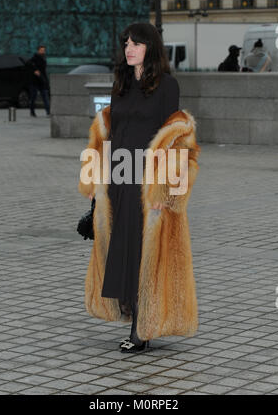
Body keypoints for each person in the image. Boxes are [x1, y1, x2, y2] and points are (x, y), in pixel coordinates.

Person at [78, 22, 201, 353]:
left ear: (151, 48)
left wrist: (164, 191)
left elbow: (176, 141)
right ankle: (131, 312)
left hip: (146, 183)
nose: (129, 48)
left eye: (136, 43)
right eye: (126, 43)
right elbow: (107, 134)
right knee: (121, 247)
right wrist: (93, 179)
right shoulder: (120, 85)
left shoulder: (166, 87)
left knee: (143, 253)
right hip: (119, 178)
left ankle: (141, 330)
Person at [27, 45, 50, 117]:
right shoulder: (34, 58)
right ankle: (32, 111)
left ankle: (48, 112)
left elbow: (44, 71)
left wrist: (46, 80)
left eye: (44, 50)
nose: (43, 51)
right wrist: (34, 71)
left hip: (42, 80)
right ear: (38, 50)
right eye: (41, 50)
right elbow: (28, 65)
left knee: (45, 97)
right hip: (34, 81)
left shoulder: (44, 59)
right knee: (33, 97)